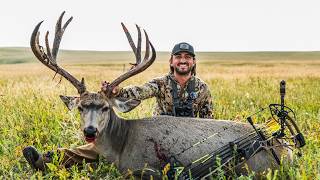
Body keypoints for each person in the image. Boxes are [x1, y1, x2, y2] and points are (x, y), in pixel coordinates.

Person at [23, 42, 213, 171]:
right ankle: (45, 160)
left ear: (193, 62)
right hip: (157, 135)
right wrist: (116, 92)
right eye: (178, 56)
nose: (183, 60)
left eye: (188, 57)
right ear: (171, 61)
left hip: (188, 137)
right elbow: (138, 92)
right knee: (103, 145)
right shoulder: (160, 83)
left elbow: (209, 122)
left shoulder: (202, 88)